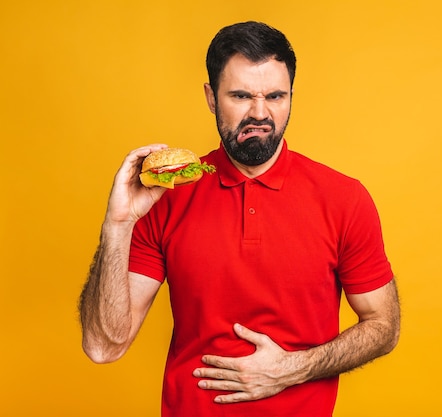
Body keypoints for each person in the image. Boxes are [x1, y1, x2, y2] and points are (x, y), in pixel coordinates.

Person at [79, 21, 400, 417]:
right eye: (241, 96)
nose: (260, 113)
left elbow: (384, 326)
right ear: (212, 98)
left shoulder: (344, 198)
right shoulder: (164, 197)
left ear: (292, 96)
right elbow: (103, 345)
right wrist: (118, 225)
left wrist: (291, 369)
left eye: (276, 96)